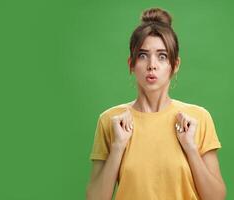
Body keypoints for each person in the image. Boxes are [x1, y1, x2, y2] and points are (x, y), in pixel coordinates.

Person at [86, 7, 226, 200]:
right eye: (143, 55)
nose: (152, 65)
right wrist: (118, 146)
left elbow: (216, 198)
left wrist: (190, 148)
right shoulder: (111, 121)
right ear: (131, 64)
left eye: (162, 56)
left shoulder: (197, 119)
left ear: (175, 65)